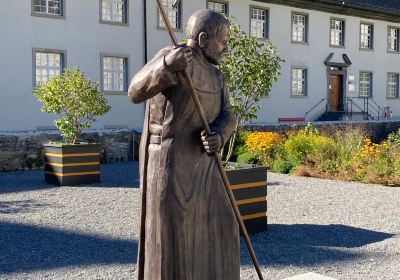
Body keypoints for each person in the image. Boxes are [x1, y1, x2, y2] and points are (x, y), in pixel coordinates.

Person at [128, 9, 239, 280]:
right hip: (172, 164)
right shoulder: (174, 56)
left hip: (204, 166)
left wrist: (219, 135)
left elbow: (229, 114)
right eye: (222, 41)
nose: (225, 47)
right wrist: (166, 65)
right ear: (203, 39)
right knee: (175, 237)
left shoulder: (216, 77)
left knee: (225, 223)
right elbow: (135, 91)